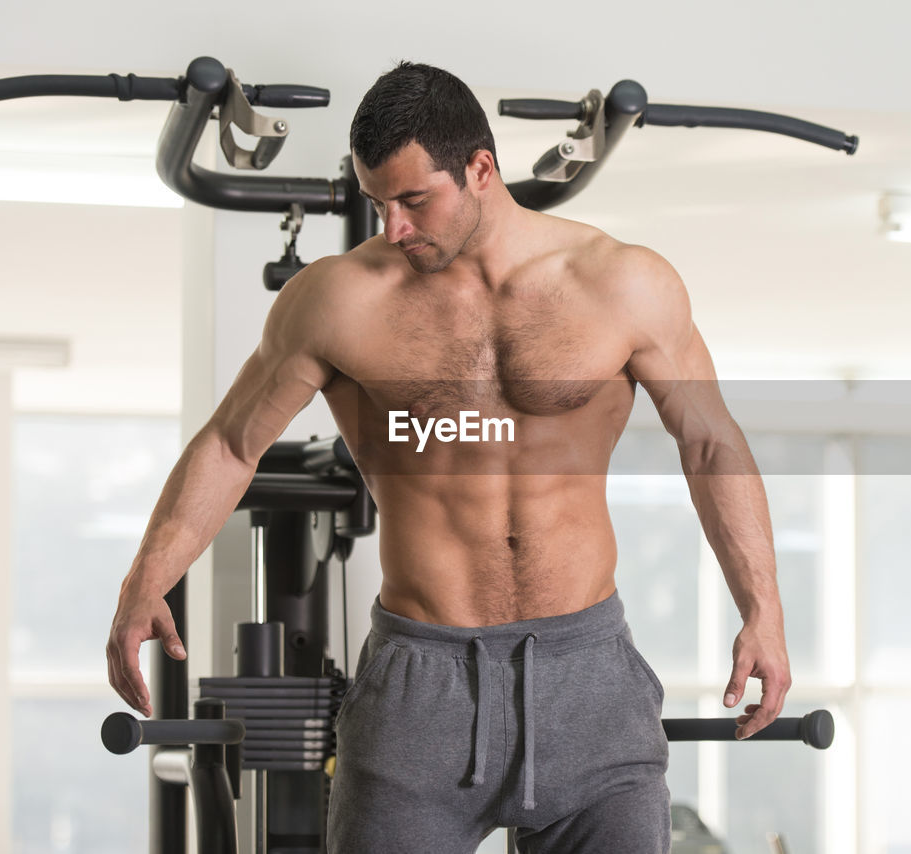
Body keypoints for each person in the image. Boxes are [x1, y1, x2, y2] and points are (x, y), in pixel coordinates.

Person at [107, 61, 789, 854]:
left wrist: (763, 608)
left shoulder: (624, 284)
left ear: (481, 170)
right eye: (376, 203)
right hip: (418, 687)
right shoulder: (337, 301)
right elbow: (231, 444)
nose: (392, 227)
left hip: (587, 676)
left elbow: (710, 442)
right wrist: (145, 580)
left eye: (412, 200)